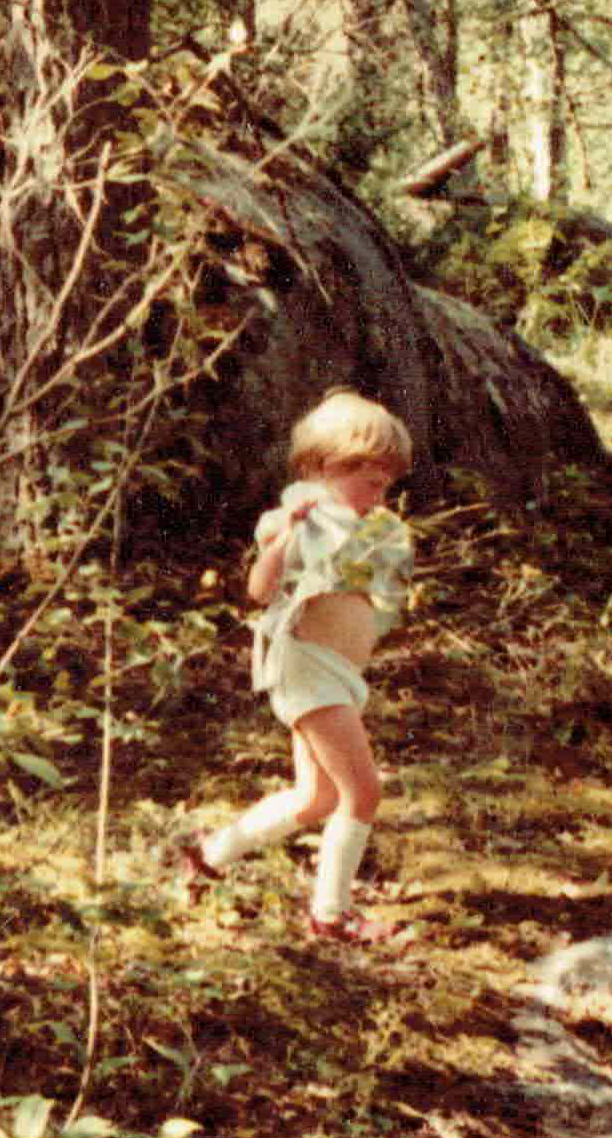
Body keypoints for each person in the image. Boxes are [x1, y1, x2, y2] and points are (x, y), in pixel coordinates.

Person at [183, 389, 416, 944]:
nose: (380, 496)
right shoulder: (299, 520)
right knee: (363, 792)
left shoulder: (360, 530)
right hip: (308, 668)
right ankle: (331, 914)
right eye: (371, 482)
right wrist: (287, 535)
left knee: (317, 798)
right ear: (326, 466)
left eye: (386, 485)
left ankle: (209, 855)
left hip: (336, 675)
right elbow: (259, 589)